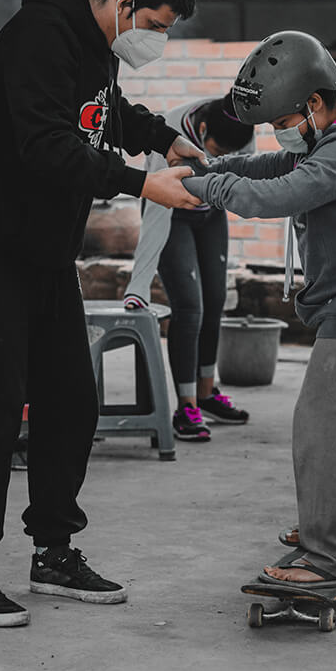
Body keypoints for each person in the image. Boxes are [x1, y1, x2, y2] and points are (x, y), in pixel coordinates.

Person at [0, 0, 205, 627]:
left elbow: (102, 112)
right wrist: (143, 182)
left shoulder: (95, 39)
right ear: (124, 3)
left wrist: (162, 136)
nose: (159, 40)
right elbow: (49, 145)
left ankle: (53, 550)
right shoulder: (39, 37)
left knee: (69, 399)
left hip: (43, 249)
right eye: (159, 25)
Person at [181, 31, 336, 589]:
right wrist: (210, 169)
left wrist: (207, 190)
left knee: (324, 430)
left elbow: (279, 196)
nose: (280, 134)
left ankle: (329, 556)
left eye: (282, 122)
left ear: (312, 104)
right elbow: (268, 171)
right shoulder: (328, 137)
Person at [123, 91, 253, 441]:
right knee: (190, 308)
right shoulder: (169, 130)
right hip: (172, 214)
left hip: (210, 214)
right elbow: (154, 212)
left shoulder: (243, 133)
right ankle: (186, 405)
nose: (220, 158)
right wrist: (139, 284)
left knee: (214, 302)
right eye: (217, 151)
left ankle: (207, 393)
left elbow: (243, 182)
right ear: (203, 128)